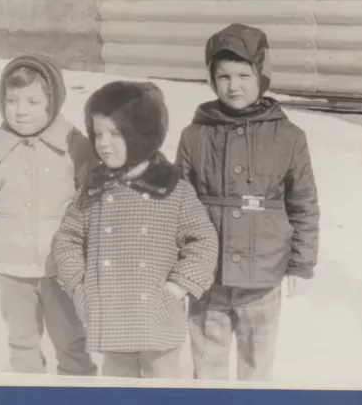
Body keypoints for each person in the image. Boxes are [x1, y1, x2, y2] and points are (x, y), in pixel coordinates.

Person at [175, 23, 320, 381]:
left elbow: (303, 205)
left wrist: (301, 263)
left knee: (257, 368)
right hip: (207, 277)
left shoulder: (289, 136)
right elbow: (177, 204)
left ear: (262, 76)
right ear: (211, 80)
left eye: (243, 74)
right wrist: (177, 264)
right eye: (223, 76)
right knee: (207, 366)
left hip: (263, 278)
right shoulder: (194, 135)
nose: (233, 85)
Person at [53, 81, 218, 378]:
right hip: (112, 316)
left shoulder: (173, 190)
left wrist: (177, 286)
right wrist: (79, 285)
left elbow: (204, 242)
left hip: (158, 316)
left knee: (163, 389)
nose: (103, 143)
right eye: (98, 133)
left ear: (141, 134)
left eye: (116, 133)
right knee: (118, 389)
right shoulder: (95, 189)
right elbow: (67, 239)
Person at [0, 53, 96, 376]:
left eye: (33, 101)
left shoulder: (75, 147)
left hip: (61, 270)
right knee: (22, 344)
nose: (21, 110)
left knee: (72, 342)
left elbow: (93, 204)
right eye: (12, 100)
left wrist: (90, 259)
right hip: (11, 269)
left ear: (54, 102)